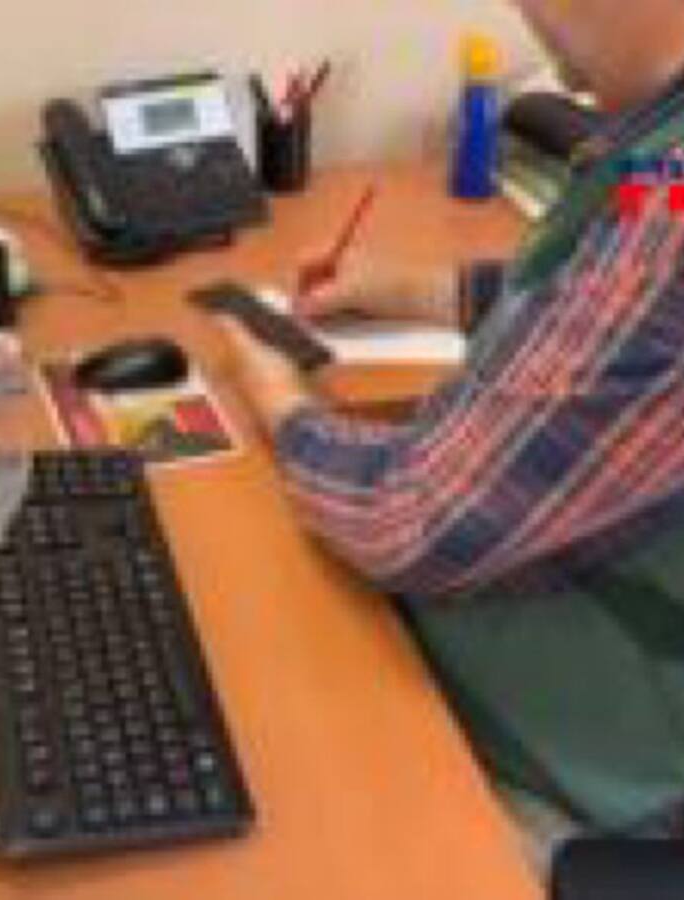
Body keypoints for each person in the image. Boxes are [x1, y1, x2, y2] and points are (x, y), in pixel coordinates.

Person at [215, 0, 684, 871]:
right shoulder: (658, 153)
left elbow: (408, 520)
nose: (539, 39)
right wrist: (415, 290)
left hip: (605, 783)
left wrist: (282, 404)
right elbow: (598, 299)